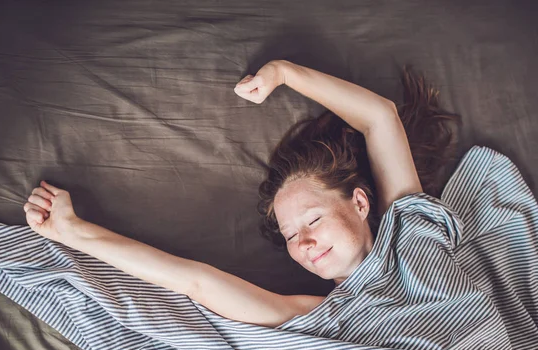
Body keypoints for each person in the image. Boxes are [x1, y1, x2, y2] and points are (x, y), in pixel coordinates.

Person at [23, 60, 459, 329]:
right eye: (290, 236)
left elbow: (380, 117)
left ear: (360, 204)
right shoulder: (319, 314)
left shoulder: (414, 232)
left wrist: (285, 73)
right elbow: (196, 281)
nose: (303, 244)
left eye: (311, 220)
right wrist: (73, 232)